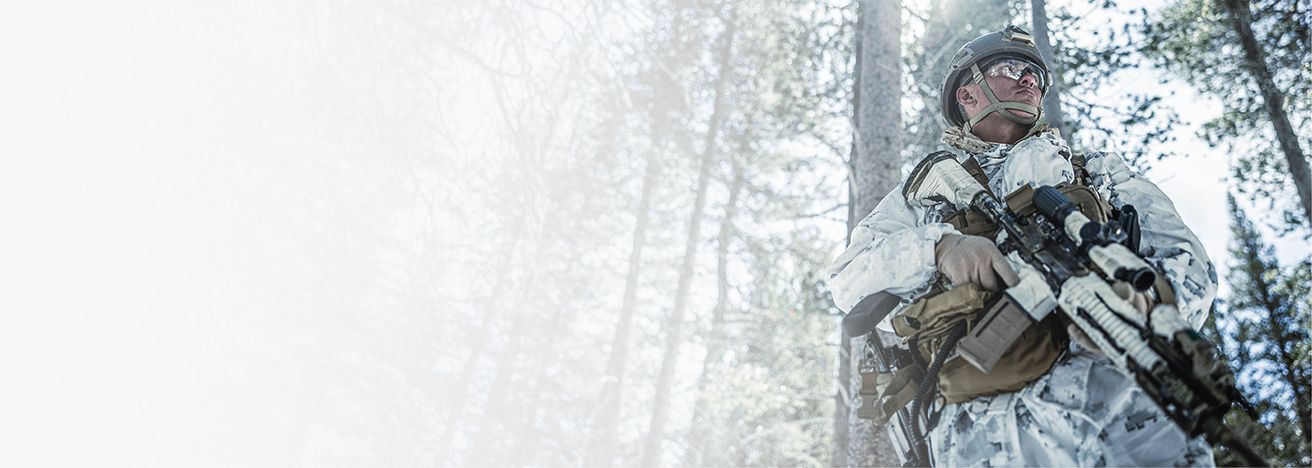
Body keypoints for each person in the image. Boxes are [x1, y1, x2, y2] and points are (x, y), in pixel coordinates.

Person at [826, 25, 1220, 467]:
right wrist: (939, 248)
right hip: (974, 430)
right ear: (967, 95)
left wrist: (1148, 303)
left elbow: (1188, 261)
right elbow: (846, 278)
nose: (1030, 78)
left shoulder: (1096, 172)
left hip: (1119, 402)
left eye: (1035, 72)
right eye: (1009, 67)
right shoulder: (921, 196)